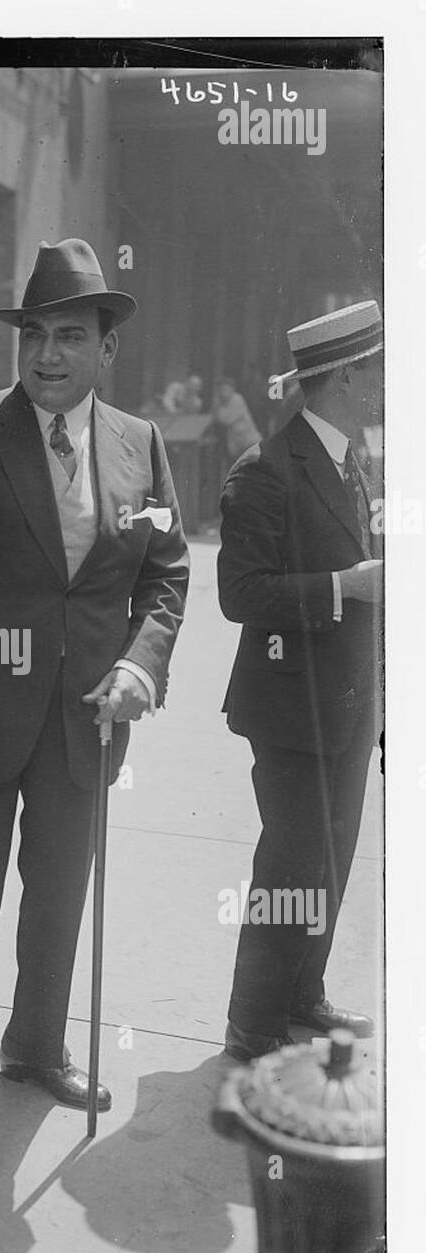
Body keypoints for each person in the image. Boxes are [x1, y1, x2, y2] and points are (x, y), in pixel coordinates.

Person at [0, 238, 190, 1151]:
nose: (48, 355)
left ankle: (35, 1048)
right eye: (35, 337)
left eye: (69, 336)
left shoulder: (141, 444)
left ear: (106, 351)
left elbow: (165, 576)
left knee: (57, 901)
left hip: (85, 729)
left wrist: (139, 665)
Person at [218, 301, 384, 1061]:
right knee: (289, 861)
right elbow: (239, 594)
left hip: (351, 702)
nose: (387, 383)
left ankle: (302, 994)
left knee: (334, 853)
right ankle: (251, 1025)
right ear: (346, 376)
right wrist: (342, 587)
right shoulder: (263, 470)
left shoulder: (356, 459)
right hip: (289, 708)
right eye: (377, 369)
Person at [212, 377, 261, 462]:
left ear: (232, 389)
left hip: (250, 443)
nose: (223, 392)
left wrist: (217, 407)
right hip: (238, 446)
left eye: (226, 389)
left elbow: (227, 419)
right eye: (221, 390)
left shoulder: (237, 399)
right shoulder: (223, 404)